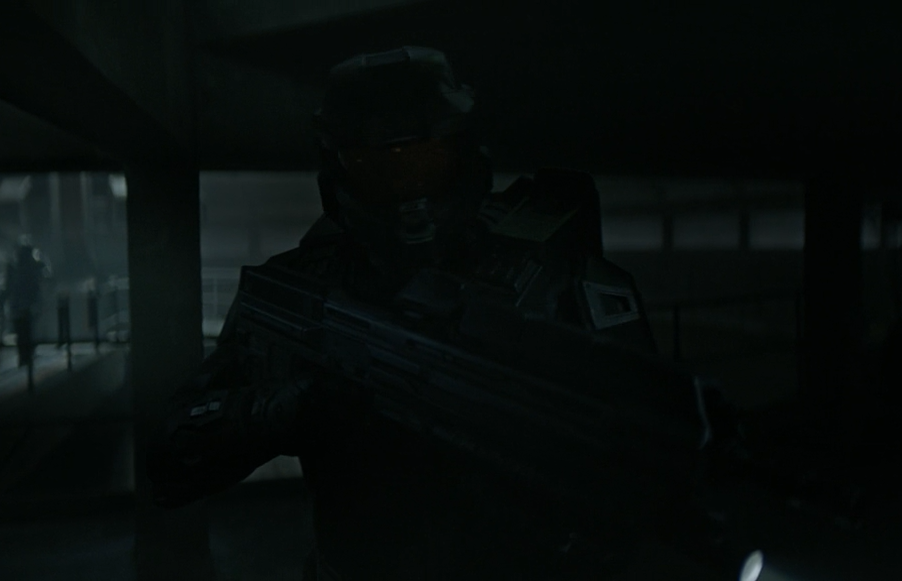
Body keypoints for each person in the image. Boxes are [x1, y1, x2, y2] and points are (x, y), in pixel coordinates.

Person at [147, 46, 660, 580]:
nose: (407, 194)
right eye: (379, 169)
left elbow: (649, 460)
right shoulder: (304, 290)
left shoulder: (552, 278)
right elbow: (170, 460)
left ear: (463, 155)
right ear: (340, 170)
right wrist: (289, 407)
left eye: (424, 163)